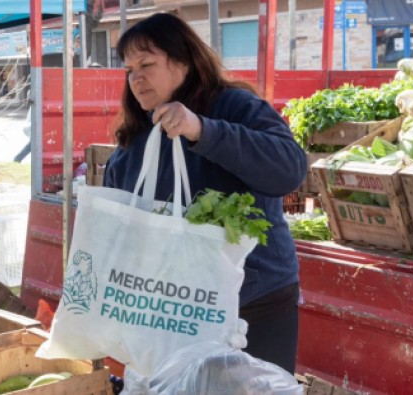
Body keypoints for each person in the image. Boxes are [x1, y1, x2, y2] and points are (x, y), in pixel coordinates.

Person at [103, 13, 307, 374]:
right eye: (129, 68)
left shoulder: (235, 105)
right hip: (175, 308)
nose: (136, 78)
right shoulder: (137, 136)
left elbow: (289, 169)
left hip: (254, 301)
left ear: (183, 61)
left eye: (147, 64)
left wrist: (201, 130)